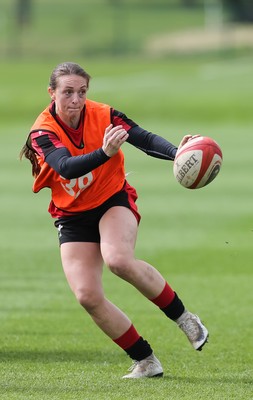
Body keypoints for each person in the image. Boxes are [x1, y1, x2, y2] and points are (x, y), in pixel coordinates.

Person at [20, 62, 208, 379]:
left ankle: (185, 318)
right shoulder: (42, 132)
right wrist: (105, 153)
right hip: (72, 216)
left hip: (112, 199)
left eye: (81, 92)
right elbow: (65, 167)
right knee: (87, 296)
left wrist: (179, 153)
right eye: (67, 92)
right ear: (52, 93)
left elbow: (143, 139)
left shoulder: (103, 115)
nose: (76, 100)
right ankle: (145, 360)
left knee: (118, 260)